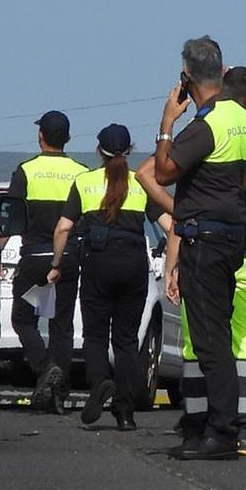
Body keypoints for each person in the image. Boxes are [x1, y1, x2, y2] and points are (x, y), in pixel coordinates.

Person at [135, 36, 246, 460]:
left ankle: (220, 432)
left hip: (205, 238)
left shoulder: (205, 126)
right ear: (221, 72)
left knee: (209, 340)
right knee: (218, 335)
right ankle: (220, 428)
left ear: (186, 78)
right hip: (232, 237)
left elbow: (161, 173)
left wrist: (166, 122)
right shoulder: (240, 117)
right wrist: (236, 184)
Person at [48, 125, 170, 430]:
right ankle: (125, 412)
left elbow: (63, 227)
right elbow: (170, 224)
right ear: (129, 151)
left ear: (98, 151)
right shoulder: (142, 183)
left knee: (96, 335)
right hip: (133, 264)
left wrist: (56, 262)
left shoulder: (85, 182)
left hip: (97, 263)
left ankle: (100, 382)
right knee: (127, 340)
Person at [7, 111, 89, 411]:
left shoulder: (27, 170)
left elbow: (10, 216)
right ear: (67, 138)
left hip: (35, 260)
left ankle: (44, 370)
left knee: (24, 318)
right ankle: (58, 393)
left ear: (40, 136)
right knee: (61, 324)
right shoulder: (80, 172)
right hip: (67, 258)